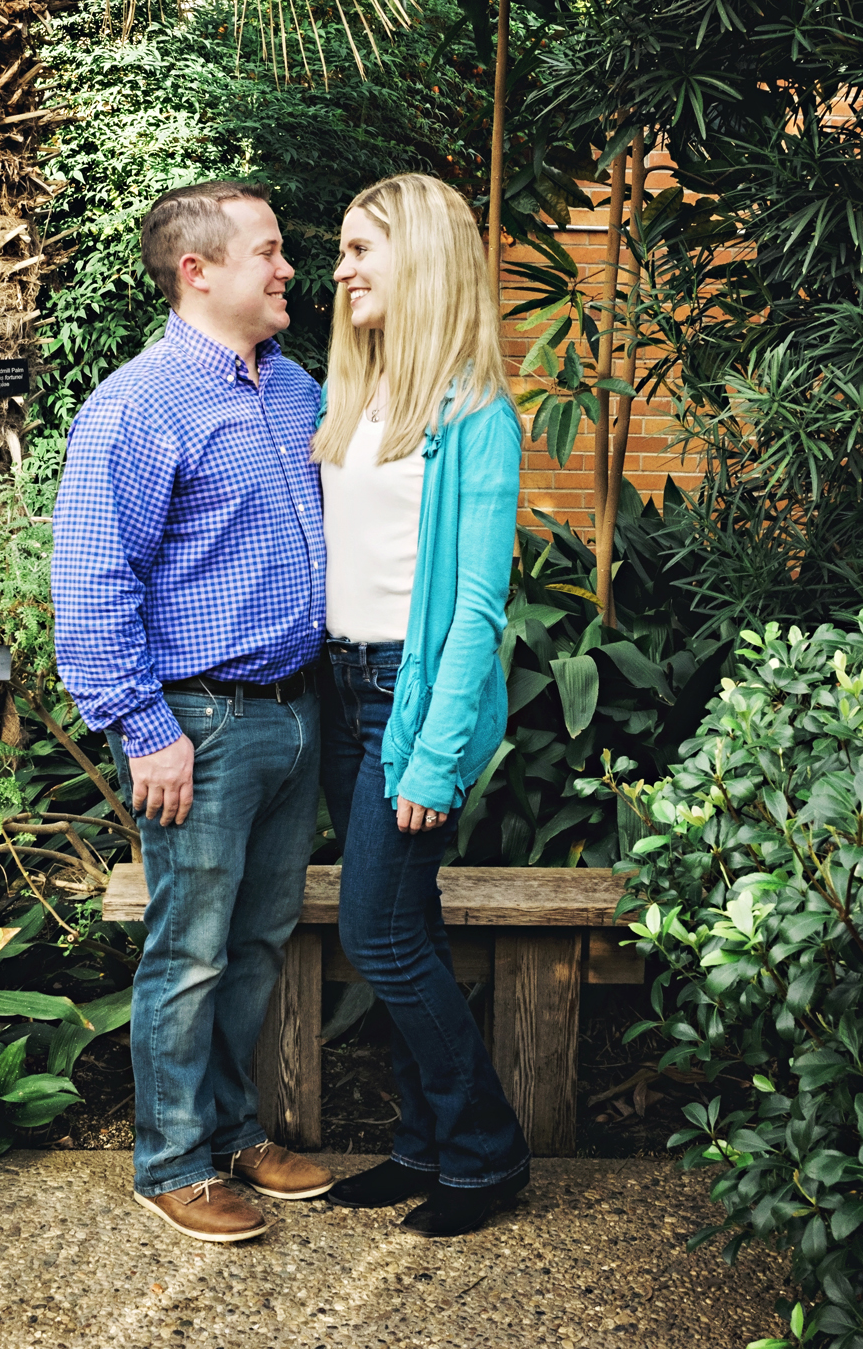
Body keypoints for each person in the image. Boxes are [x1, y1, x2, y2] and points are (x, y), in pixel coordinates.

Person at [52, 180, 335, 1243]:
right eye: (269, 250)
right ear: (198, 270)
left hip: (294, 714)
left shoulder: (295, 388)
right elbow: (92, 583)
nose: (287, 268)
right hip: (199, 725)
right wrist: (145, 727)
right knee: (191, 951)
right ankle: (169, 1160)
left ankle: (232, 1130)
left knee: (256, 942)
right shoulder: (136, 406)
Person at [312, 172, 531, 1236]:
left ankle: (486, 1153)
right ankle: (423, 1145)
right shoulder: (352, 397)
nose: (340, 269)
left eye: (362, 249)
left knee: (378, 933)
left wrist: (437, 756)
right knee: (409, 928)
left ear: (424, 258)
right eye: (341, 250)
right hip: (340, 687)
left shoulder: (477, 415)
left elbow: (477, 608)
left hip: (409, 694)